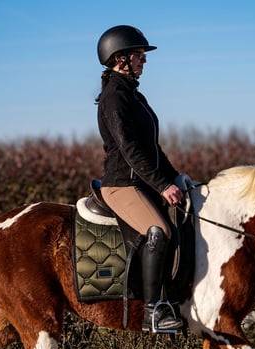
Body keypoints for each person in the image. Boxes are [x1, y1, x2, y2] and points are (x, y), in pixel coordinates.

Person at [95, 25, 184, 333]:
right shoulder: (114, 97)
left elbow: (153, 147)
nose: (144, 61)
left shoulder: (134, 95)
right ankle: (152, 311)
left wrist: (176, 177)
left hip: (141, 182)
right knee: (158, 230)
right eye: (139, 56)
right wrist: (162, 185)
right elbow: (130, 149)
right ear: (121, 59)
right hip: (122, 185)